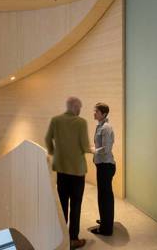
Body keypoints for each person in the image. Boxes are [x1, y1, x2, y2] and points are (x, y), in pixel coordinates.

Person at [45, 97, 90, 249]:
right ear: (75, 107)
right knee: (76, 205)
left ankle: (62, 237)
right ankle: (73, 239)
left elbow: (47, 139)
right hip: (77, 171)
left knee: (63, 203)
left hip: (62, 170)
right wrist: (90, 149)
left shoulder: (55, 120)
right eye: (79, 107)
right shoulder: (81, 122)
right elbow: (85, 146)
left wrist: (54, 153)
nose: (80, 110)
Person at [90, 103, 115, 236]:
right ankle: (106, 221)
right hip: (102, 165)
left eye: (97, 111)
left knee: (105, 198)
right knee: (104, 196)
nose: (94, 113)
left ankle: (106, 229)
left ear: (104, 114)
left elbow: (106, 149)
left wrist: (93, 150)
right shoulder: (100, 126)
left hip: (106, 166)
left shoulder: (106, 128)